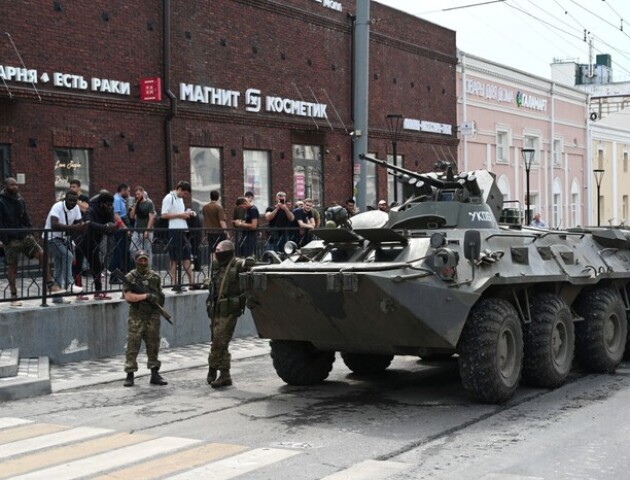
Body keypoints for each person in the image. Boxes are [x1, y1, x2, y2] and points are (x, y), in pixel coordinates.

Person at [206, 239, 255, 388]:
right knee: (219, 342)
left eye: (220, 251)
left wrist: (249, 262)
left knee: (220, 341)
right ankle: (221, 373)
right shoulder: (216, 265)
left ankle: (216, 370)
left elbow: (252, 266)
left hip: (229, 310)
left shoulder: (237, 264)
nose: (216, 253)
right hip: (216, 309)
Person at [0, 177, 53, 306]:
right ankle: (14, 297)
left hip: (24, 235)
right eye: (12, 185)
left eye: (16, 185)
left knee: (42, 254)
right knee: (13, 267)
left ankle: (50, 286)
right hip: (10, 238)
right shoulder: (1, 201)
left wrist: (31, 232)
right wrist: (3, 239)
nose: (15, 187)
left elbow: (26, 217)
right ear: (6, 186)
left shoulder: (20, 199)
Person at [122, 250, 167, 387]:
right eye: (140, 260)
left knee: (153, 344)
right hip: (137, 315)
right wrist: (145, 296)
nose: (143, 263)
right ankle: (130, 374)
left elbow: (161, 295)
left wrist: (156, 299)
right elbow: (128, 297)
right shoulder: (130, 277)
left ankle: (154, 373)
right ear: (136, 261)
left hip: (152, 315)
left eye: (145, 260)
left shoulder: (155, 277)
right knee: (132, 345)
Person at [75, 191, 120, 300]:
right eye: (108, 204)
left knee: (97, 266)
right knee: (78, 267)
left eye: (111, 204)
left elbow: (110, 224)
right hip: (81, 239)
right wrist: (104, 227)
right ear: (102, 203)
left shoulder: (109, 210)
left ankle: (98, 291)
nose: (110, 207)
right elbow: (89, 223)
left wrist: (112, 229)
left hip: (95, 241)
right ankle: (78, 292)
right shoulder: (91, 209)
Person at [43, 191, 87, 303]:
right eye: (70, 200)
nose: (72, 203)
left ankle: (56, 297)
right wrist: (73, 228)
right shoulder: (57, 207)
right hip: (51, 238)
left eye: (74, 200)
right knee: (68, 255)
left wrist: (81, 226)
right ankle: (69, 284)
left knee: (58, 268)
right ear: (65, 199)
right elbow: (54, 224)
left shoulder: (76, 208)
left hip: (63, 239)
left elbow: (79, 224)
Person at [161, 180, 194, 290]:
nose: (185, 196)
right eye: (184, 193)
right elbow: (164, 215)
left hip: (182, 230)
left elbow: (180, 212)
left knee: (186, 257)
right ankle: (174, 283)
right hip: (174, 230)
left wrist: (187, 212)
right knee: (174, 258)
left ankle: (191, 282)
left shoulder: (180, 199)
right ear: (179, 189)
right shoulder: (169, 198)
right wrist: (181, 215)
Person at [109, 183, 131, 283]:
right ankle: (113, 277)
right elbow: (116, 215)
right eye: (127, 191)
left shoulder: (121, 200)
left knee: (123, 252)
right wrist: (125, 227)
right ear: (123, 190)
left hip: (121, 228)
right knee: (118, 252)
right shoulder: (117, 200)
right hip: (120, 229)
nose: (128, 193)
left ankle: (124, 275)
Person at [128, 185, 155, 262]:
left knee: (147, 252)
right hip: (137, 230)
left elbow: (151, 217)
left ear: (142, 193)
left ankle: (148, 270)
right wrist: (135, 206)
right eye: (136, 194)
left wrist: (147, 230)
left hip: (146, 231)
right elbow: (132, 216)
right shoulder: (136, 203)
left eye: (138, 194)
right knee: (132, 249)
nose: (137, 196)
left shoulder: (149, 203)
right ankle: (140, 265)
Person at [201, 190, 227, 259]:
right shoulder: (219, 207)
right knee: (220, 250)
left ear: (210, 197)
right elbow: (222, 221)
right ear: (218, 197)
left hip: (209, 232)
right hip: (218, 232)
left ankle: (212, 265)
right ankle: (218, 266)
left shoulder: (205, 207)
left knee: (212, 250)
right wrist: (226, 231)